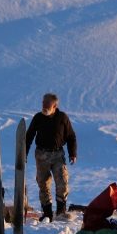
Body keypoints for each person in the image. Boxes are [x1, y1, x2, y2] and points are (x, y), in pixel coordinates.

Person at [26, 93, 77, 222]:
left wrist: (73, 154)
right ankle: (47, 214)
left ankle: (60, 212)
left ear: (55, 105)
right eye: (43, 103)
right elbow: (29, 136)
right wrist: (23, 154)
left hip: (58, 155)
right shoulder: (38, 118)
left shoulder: (62, 118)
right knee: (43, 183)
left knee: (62, 182)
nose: (44, 106)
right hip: (41, 155)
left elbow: (71, 136)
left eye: (47, 104)